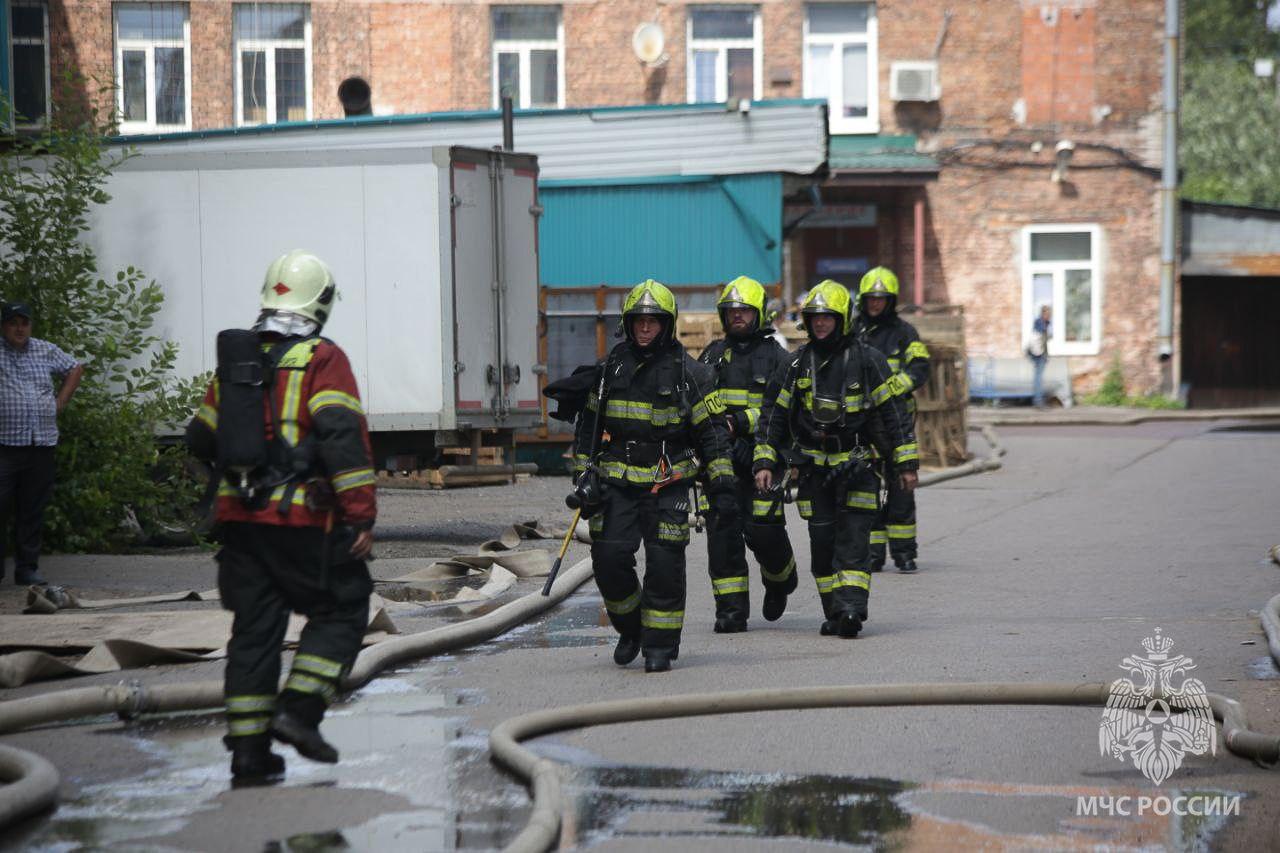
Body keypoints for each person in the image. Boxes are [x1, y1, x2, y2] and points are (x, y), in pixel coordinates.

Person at [185, 250, 377, 786]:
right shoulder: (321, 358)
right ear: (321, 303)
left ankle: (249, 755)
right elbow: (341, 437)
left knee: (253, 633)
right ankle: (300, 711)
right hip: (300, 524)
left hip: (240, 528)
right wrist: (360, 516)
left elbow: (199, 437)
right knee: (344, 606)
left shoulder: (237, 363)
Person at [570, 279, 735, 672]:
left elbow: (713, 435)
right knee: (608, 560)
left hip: (668, 482)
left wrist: (723, 485)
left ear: (667, 324)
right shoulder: (610, 369)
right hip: (616, 481)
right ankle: (631, 629)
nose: (645, 328)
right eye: (638, 321)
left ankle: (660, 646)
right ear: (628, 324)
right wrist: (582, 474)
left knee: (664, 566)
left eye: (653, 321)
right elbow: (588, 426)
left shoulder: (691, 374)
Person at [753, 280, 918, 639]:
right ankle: (833, 611)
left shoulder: (868, 361)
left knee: (855, 543)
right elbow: (773, 416)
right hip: (814, 472)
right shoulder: (796, 364)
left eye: (828, 317)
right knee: (822, 544)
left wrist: (905, 464)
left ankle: (851, 610)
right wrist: (764, 462)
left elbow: (893, 414)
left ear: (842, 319)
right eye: (815, 317)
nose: (821, 323)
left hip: (858, 467)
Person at [696, 277, 797, 633]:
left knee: (764, 531)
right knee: (722, 536)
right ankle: (731, 611)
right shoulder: (712, 355)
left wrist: (739, 423)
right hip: (721, 460)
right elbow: (697, 403)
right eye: (731, 311)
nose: (737, 316)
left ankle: (780, 580)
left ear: (759, 314)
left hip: (761, 460)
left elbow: (782, 413)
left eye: (744, 310)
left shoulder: (778, 358)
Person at [0, 302, 83, 586]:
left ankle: (27, 569)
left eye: (24, 323)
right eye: (13, 323)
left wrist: (61, 401)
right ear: (4, 326)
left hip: (42, 443)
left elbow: (75, 367)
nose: (19, 328)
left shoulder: (44, 349)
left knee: (32, 509)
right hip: (5, 445)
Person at [853, 267, 930, 574]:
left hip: (896, 421)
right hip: (862, 423)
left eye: (881, 298)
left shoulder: (905, 332)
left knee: (901, 487)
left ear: (891, 300)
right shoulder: (853, 331)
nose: (875, 303)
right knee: (866, 488)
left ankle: (904, 552)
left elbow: (920, 366)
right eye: (871, 298)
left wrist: (894, 386)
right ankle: (873, 554)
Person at [1028, 304, 1052, 408]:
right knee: (1038, 378)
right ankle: (1038, 401)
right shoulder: (1040, 322)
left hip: (1041, 354)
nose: (1049, 316)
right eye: (1047, 314)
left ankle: (1038, 401)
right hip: (1038, 354)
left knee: (1039, 377)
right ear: (1043, 313)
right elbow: (1041, 339)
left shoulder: (1044, 323)